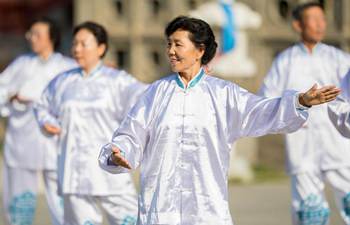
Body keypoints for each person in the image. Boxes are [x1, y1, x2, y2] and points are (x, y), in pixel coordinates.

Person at [98, 16, 340, 225]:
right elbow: (132, 132)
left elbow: (261, 111)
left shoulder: (223, 94)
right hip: (161, 206)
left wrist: (300, 101)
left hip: (207, 207)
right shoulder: (155, 93)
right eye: (168, 44)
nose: (171, 51)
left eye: (178, 45)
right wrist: (120, 152)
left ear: (200, 50)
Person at [35, 21, 146, 225]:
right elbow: (42, 106)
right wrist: (46, 121)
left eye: (84, 44)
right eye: (75, 43)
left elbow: (149, 98)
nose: (77, 49)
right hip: (74, 172)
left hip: (110, 171)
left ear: (101, 48)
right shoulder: (62, 82)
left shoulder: (118, 81)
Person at [259, 2, 350, 225]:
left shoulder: (338, 58)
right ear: (298, 24)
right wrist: (292, 115)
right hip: (303, 145)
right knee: (310, 211)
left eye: (322, 19)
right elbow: (267, 98)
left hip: (338, 143)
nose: (320, 25)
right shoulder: (285, 61)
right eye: (314, 19)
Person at [0, 17, 76, 225]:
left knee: (62, 199)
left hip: (55, 142)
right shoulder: (21, 64)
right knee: (19, 198)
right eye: (30, 33)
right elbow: (2, 89)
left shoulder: (67, 67)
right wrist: (12, 98)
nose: (30, 38)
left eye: (36, 34)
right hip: (22, 140)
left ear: (51, 38)